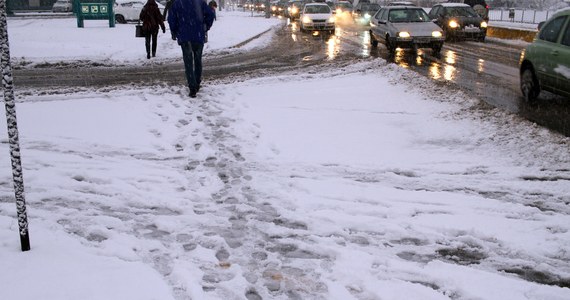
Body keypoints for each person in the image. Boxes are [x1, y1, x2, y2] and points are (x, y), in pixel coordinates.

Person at [168, 0, 215, 98]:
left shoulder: (177, 3)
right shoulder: (200, 2)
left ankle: (192, 87)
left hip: (185, 36)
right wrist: (205, 27)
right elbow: (210, 14)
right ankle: (197, 82)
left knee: (188, 62)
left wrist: (175, 31)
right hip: (198, 36)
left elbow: (171, 18)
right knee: (198, 60)